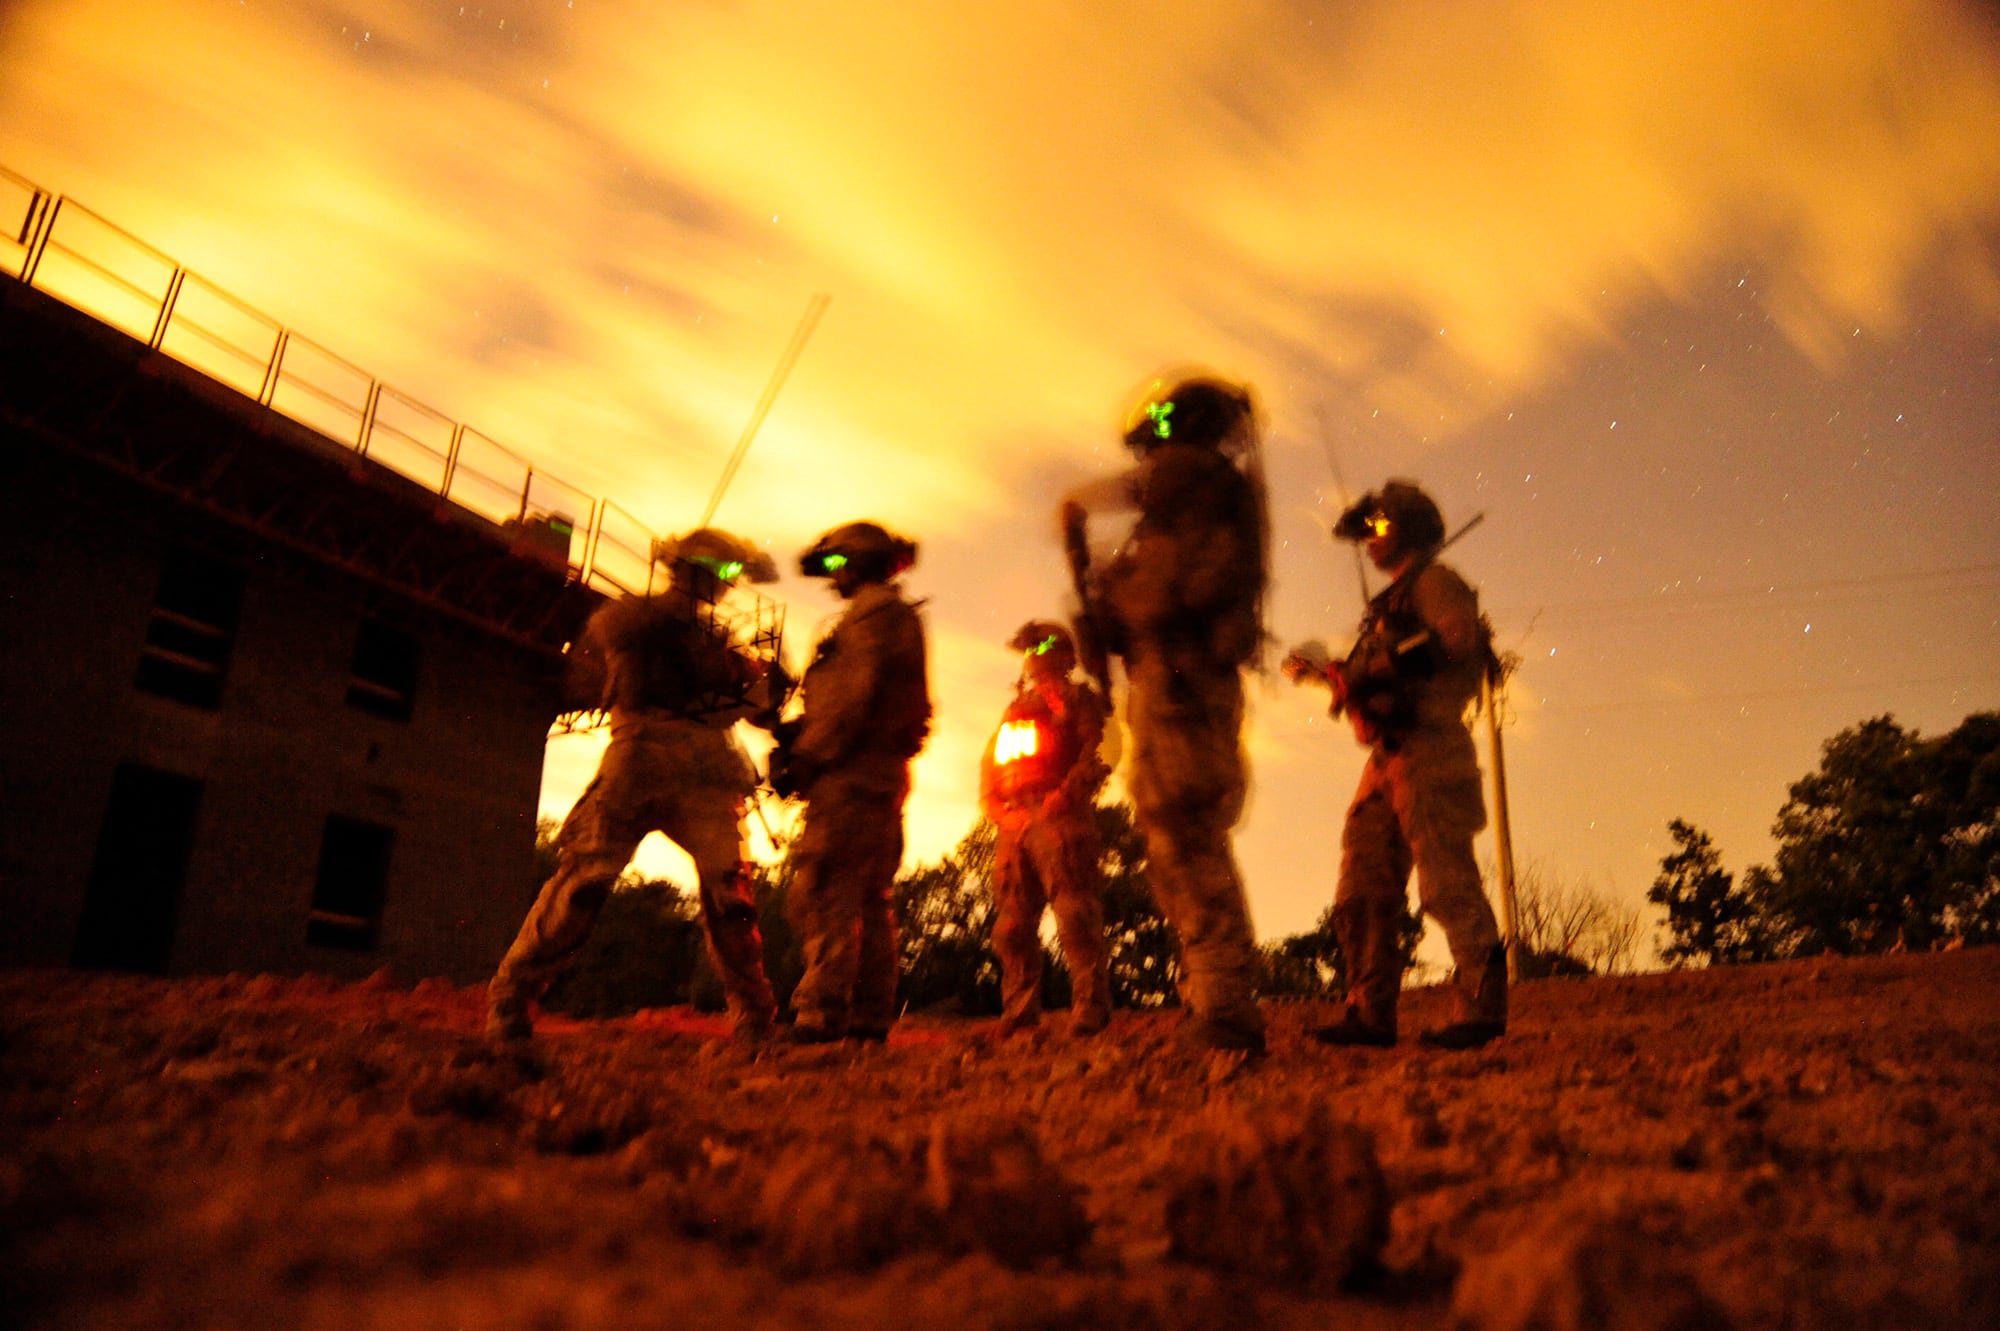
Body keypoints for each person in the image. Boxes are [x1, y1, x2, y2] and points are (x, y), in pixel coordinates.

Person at [486, 528, 785, 1043]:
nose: (726, 588)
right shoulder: (632, 619)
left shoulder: (718, 643)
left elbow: (760, 708)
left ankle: (755, 1020)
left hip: (706, 772)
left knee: (731, 899)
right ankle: (510, 1000)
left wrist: (770, 681)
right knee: (583, 887)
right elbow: (600, 650)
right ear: (688, 572)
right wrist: (657, 627)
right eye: (719, 576)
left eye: (729, 578)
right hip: (639, 759)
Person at [1062, 375, 1271, 1053]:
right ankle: (1212, 997)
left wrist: (1116, 595)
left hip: (1183, 691)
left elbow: (1174, 594)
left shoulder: (1203, 508)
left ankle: (1225, 1007)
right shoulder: (1192, 515)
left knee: (1188, 839)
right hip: (1167, 690)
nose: (1150, 472)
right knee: (1174, 843)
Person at [1283, 480, 1508, 1050]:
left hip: (1431, 747)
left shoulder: (1436, 582)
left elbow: (1457, 642)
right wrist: (1325, 673)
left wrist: (1377, 665)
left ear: (1410, 527)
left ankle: (1481, 1006)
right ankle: (1370, 1010)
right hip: (1386, 757)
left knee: (1445, 879)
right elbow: (1373, 678)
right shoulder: (1390, 606)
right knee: (1363, 883)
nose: (1371, 541)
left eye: (1380, 527)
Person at [771, 521, 931, 1043]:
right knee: (869, 897)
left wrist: (809, 757)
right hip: (880, 775)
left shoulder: (872, 618)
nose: (832, 577)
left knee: (826, 889)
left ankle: (820, 1012)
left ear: (862, 564)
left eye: (839, 564)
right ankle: (869, 1017)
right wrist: (792, 731)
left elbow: (853, 700)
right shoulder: (896, 618)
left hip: (851, 774)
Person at [978, 621, 1113, 1038]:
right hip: (1014, 820)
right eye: (1030, 649)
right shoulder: (1016, 708)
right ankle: (1019, 1011)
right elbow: (990, 764)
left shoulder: (1080, 701)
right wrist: (994, 806)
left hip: (1059, 817)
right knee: (1012, 926)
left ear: (1062, 654)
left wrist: (1066, 794)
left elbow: (1098, 751)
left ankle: (1090, 1008)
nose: (1034, 656)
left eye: (1042, 647)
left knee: (1075, 915)